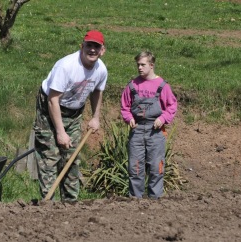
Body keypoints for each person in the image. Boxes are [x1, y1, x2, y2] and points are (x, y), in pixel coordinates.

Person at [33, 30, 108, 201]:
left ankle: (70, 203)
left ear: (102, 50)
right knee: (49, 156)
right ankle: (48, 203)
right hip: (49, 109)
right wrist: (60, 132)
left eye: (96, 47)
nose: (92, 50)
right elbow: (53, 100)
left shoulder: (101, 70)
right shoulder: (66, 66)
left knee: (72, 157)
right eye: (89, 45)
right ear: (82, 46)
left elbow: (97, 92)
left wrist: (96, 117)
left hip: (74, 112)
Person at [120, 51, 177, 199]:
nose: (139, 67)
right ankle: (135, 199)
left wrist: (163, 118)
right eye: (138, 64)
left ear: (151, 65)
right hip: (137, 130)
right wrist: (128, 118)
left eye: (142, 64)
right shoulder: (132, 85)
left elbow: (172, 106)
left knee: (156, 167)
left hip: (155, 132)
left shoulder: (162, 86)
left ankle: (155, 201)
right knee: (135, 167)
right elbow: (125, 107)